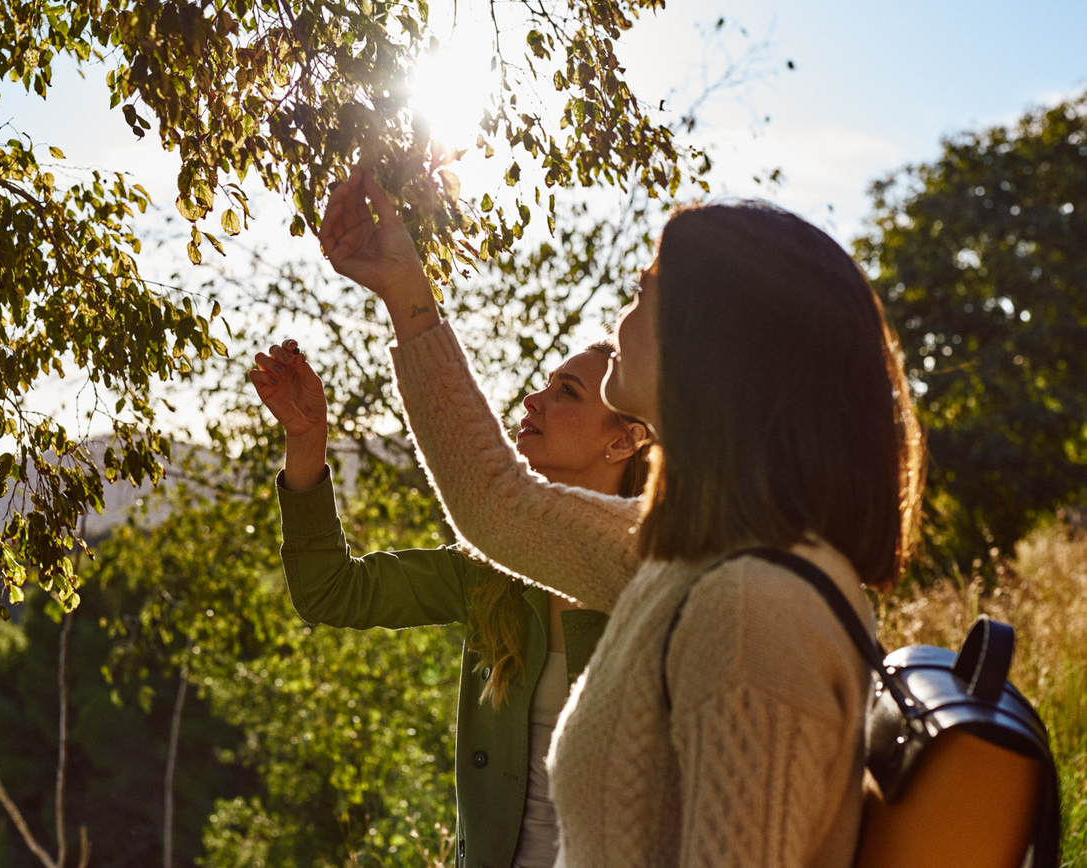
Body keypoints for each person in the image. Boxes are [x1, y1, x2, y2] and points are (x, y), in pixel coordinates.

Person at [317, 168, 925, 868]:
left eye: (645, 292)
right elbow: (498, 506)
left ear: (711, 347)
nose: (622, 318)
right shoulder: (694, 556)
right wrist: (404, 292)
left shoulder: (752, 610)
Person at [248, 331, 652, 868]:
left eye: (568, 392)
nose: (534, 399)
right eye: (547, 384)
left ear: (622, 443)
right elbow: (331, 591)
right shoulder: (489, 569)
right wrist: (306, 438)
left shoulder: (657, 585)